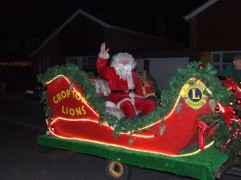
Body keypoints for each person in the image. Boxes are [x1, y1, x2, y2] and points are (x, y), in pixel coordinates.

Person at [97, 42, 156, 118]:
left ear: (131, 63)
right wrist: (102, 56)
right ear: (117, 62)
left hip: (133, 97)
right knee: (128, 104)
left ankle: (142, 120)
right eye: (122, 61)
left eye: (127, 61)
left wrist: (142, 97)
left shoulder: (133, 74)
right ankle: (131, 124)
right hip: (119, 99)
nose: (125, 63)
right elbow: (101, 69)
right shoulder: (111, 71)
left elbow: (138, 88)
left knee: (151, 103)